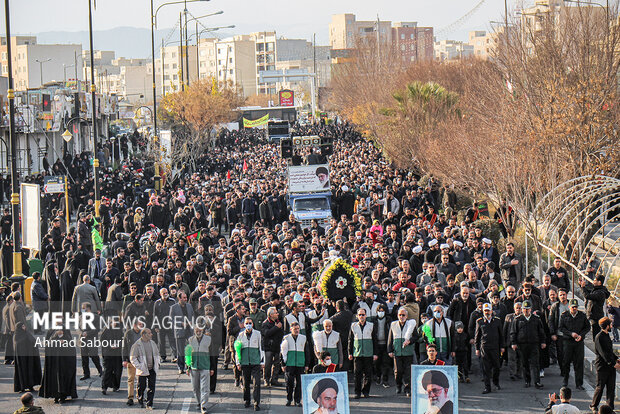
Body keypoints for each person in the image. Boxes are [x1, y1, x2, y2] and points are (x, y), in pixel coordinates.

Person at [510, 300, 546, 389]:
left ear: (531, 309)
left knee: (535, 364)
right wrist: (513, 343)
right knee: (525, 364)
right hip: (522, 345)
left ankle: (537, 382)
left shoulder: (536, 319)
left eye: (528, 309)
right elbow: (513, 332)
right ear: (522, 309)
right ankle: (527, 381)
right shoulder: (517, 319)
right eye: (524, 309)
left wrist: (543, 341)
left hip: (534, 344)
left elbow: (541, 331)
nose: (526, 310)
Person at [39, 328, 78, 404]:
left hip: (64, 363)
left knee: (63, 379)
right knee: (54, 380)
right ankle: (56, 396)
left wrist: (64, 342)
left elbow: (71, 347)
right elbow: (47, 345)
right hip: (54, 363)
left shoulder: (66, 333)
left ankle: (63, 397)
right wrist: (55, 339)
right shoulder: (51, 333)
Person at [558, 298, 588, 390]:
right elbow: (561, 328)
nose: (574, 309)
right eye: (573, 307)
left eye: (576, 307)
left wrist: (581, 335)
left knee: (578, 363)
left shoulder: (582, 316)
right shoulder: (564, 315)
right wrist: (571, 333)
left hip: (578, 342)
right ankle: (565, 380)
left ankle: (579, 383)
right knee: (566, 362)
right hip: (568, 341)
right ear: (569, 307)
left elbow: (587, 327)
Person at [590, 317, 619, 412]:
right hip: (602, 367)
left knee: (611, 388)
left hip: (610, 367)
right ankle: (594, 405)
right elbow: (603, 353)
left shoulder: (607, 336)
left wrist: (616, 359)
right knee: (600, 387)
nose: (611, 326)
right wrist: (612, 363)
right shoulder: (599, 337)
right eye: (610, 325)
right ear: (607, 326)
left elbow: (610, 351)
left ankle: (610, 407)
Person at [235, 317, 265, 411]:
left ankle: (256, 402)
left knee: (257, 383)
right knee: (246, 383)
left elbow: (261, 348)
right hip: (245, 362)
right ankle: (247, 400)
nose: (248, 324)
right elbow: (237, 350)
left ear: (252, 324)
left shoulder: (258, 334)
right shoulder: (240, 335)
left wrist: (262, 361)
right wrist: (238, 362)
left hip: (255, 362)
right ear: (244, 325)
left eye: (250, 323)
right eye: (247, 323)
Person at [474, 303, 504, 394]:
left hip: (495, 347)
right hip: (485, 347)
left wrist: (502, 346)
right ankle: (487, 387)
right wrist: (477, 348)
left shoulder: (497, 321)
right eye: (485, 310)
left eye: (488, 310)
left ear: (491, 311)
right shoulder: (479, 321)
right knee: (486, 368)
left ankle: (496, 382)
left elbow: (501, 335)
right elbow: (477, 336)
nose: (487, 312)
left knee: (497, 367)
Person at [348, 308, 377, 399]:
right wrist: (350, 352)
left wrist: (375, 353)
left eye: (363, 314)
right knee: (357, 374)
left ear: (366, 316)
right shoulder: (353, 326)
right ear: (357, 316)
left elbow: (375, 340)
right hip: (357, 353)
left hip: (368, 353)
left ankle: (366, 391)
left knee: (368, 374)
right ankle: (357, 392)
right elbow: (350, 340)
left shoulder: (371, 325)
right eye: (359, 315)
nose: (361, 316)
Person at [387, 307, 416, 395]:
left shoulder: (411, 325)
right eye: (400, 315)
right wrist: (390, 350)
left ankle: (407, 389)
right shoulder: (393, 324)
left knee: (408, 371)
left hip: (408, 352)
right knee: (398, 371)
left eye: (403, 315)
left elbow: (416, 337)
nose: (401, 316)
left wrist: (410, 341)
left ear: (406, 316)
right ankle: (398, 386)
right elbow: (390, 338)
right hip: (397, 351)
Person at [185, 324, 213, 414]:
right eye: (196, 330)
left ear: (203, 330)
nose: (198, 332)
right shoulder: (190, 340)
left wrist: (212, 368)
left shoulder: (208, 339)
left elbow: (212, 355)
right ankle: (198, 402)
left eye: (200, 330)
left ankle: (204, 406)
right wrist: (187, 367)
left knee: (205, 388)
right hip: (194, 366)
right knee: (195, 387)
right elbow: (187, 354)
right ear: (194, 331)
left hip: (205, 366)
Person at [129, 328, 160, 409]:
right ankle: (140, 399)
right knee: (141, 386)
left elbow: (157, 354)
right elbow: (133, 358)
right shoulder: (137, 345)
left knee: (151, 387)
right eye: (149, 333)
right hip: (142, 369)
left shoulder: (153, 343)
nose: (151, 334)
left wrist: (158, 363)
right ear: (143, 335)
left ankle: (149, 403)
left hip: (152, 368)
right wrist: (140, 366)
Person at [280, 321, 309, 407]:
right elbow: (282, 352)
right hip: (290, 363)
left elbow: (307, 352)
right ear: (291, 329)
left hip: (300, 364)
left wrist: (307, 364)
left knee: (299, 383)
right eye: (295, 329)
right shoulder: (286, 338)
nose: (296, 330)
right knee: (289, 382)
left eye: (298, 329)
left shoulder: (303, 338)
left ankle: (297, 400)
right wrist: (282, 364)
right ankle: (289, 399)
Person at [13, 322, 42, 393]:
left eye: (24, 326)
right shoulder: (16, 335)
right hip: (21, 358)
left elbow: (33, 341)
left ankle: (30, 385)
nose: (24, 327)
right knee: (22, 371)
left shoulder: (27, 333)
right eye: (22, 326)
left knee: (30, 370)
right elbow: (17, 344)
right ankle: (22, 387)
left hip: (29, 356)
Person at [170, 291, 194, 374]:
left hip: (189, 330)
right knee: (180, 350)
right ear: (179, 298)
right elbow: (171, 319)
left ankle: (189, 366)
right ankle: (181, 367)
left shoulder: (189, 306)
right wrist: (181, 323)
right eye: (184, 298)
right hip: (180, 330)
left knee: (189, 349)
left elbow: (193, 315)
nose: (186, 299)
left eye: (186, 297)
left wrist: (191, 322)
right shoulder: (174, 307)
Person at [100, 318, 123, 395]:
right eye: (113, 322)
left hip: (117, 353)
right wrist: (110, 345)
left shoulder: (120, 330)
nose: (115, 324)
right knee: (107, 370)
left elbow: (123, 340)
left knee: (118, 371)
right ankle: (104, 387)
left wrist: (118, 345)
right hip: (108, 353)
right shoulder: (106, 330)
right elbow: (102, 341)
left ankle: (115, 386)